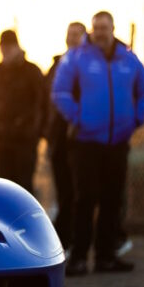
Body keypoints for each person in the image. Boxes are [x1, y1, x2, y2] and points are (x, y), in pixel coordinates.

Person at [52, 11, 144, 275]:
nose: (99, 32)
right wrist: (78, 117)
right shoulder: (76, 58)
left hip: (118, 141)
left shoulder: (128, 59)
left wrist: (137, 119)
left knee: (112, 198)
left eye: (104, 27)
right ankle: (80, 257)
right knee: (85, 198)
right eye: (95, 28)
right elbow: (59, 92)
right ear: (91, 31)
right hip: (85, 142)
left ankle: (106, 256)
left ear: (112, 29)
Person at [44, 22, 87, 249]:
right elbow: (45, 101)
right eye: (69, 34)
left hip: (79, 138)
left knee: (78, 192)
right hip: (57, 139)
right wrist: (46, 134)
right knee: (63, 191)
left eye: (76, 34)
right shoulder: (56, 65)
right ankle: (63, 241)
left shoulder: (88, 65)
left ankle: (74, 241)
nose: (72, 38)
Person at [0, 29, 45, 193]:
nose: (5, 50)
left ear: (17, 47)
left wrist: (33, 129)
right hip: (2, 138)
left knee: (23, 187)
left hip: (25, 140)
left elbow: (40, 103)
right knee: (4, 187)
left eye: (8, 46)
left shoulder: (32, 71)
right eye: (3, 46)